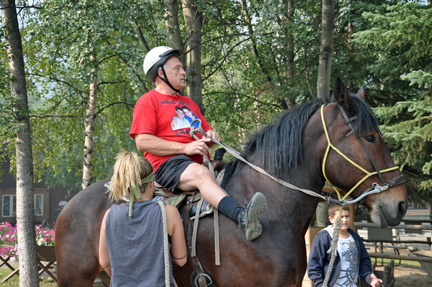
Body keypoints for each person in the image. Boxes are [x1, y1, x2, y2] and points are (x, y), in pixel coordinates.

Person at [129, 46, 268, 241]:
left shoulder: (189, 103)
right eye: (177, 68)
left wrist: (210, 137)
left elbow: (204, 134)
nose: (183, 72)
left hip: (198, 161)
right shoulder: (148, 101)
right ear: (161, 73)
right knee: (200, 174)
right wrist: (185, 148)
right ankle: (241, 217)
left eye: (182, 68)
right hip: (167, 166)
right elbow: (142, 142)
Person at [99, 151, 187, 286]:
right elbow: (181, 260)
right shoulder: (168, 212)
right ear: (152, 184)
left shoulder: (109, 215)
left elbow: (104, 262)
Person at [307, 203, 383, 287]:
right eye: (341, 217)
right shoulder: (324, 238)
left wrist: (369, 276)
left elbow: (364, 261)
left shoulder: (355, 237)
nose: (345, 220)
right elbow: (314, 267)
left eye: (347, 216)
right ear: (331, 219)